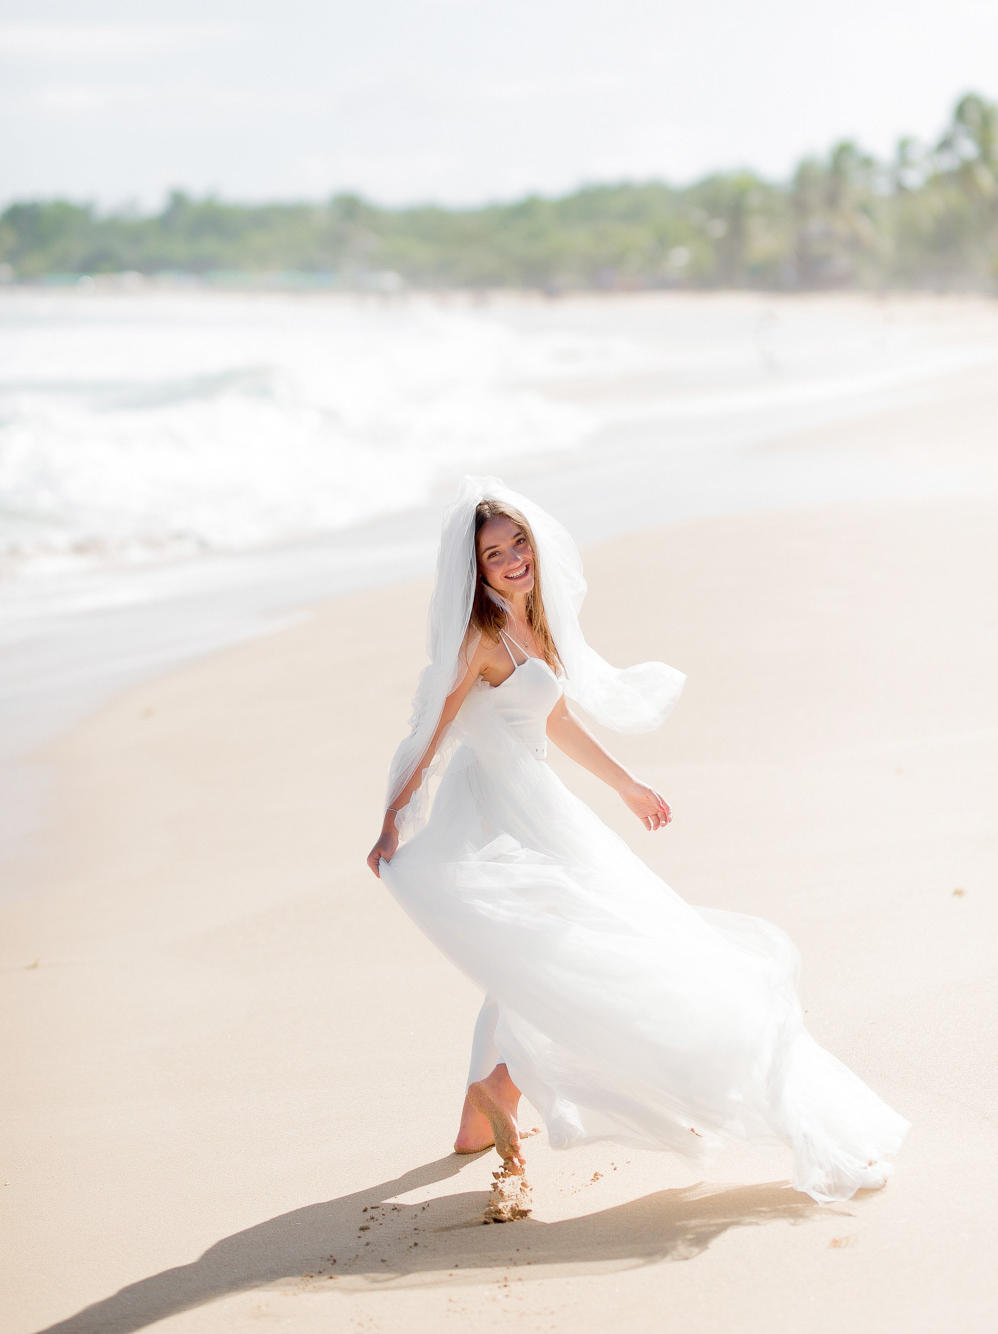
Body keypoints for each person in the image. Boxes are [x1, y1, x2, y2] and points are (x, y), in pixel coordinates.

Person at [367, 477, 908, 1203]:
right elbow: (430, 733)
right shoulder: (482, 637)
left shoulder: (535, 624)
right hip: (498, 812)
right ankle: (501, 1083)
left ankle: (480, 1114)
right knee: (569, 948)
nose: (512, 559)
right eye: (494, 554)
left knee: (535, 955)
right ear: (476, 569)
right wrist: (394, 817)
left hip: (538, 799)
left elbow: (548, 720)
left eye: (517, 542)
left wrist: (625, 785)